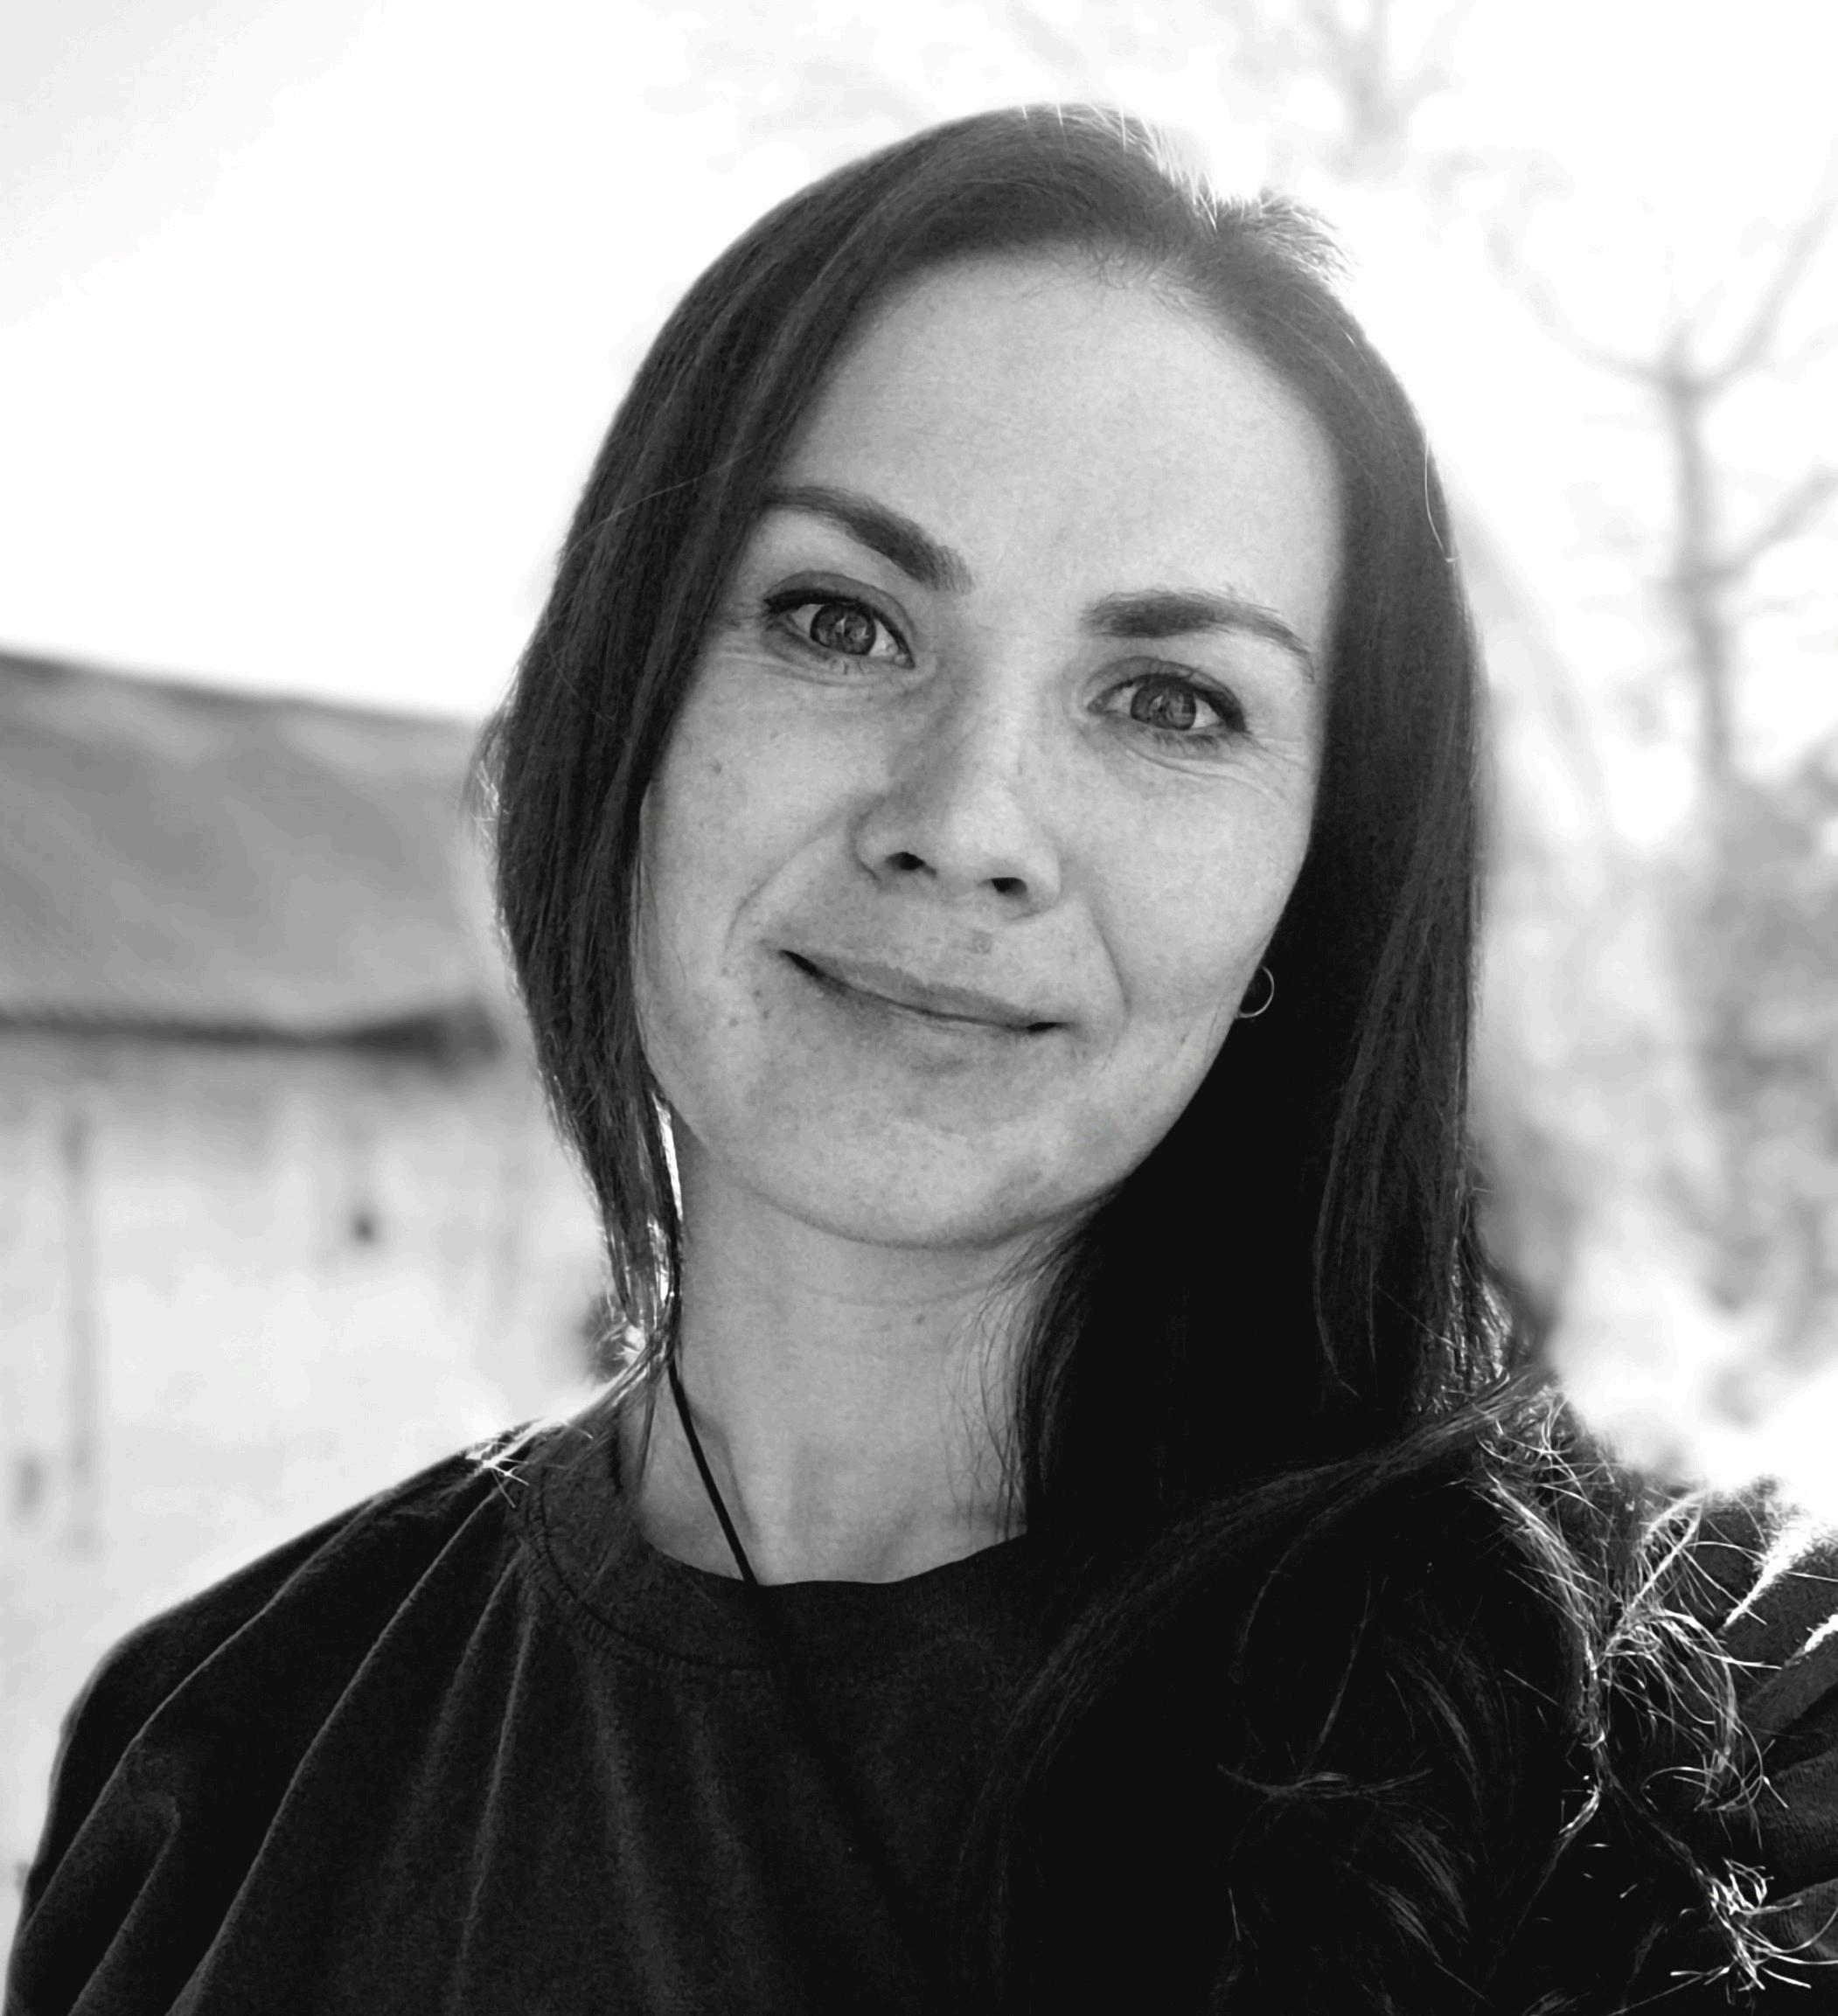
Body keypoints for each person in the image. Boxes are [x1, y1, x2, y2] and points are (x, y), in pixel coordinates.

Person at [8, 104, 1838, 2016]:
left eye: (1170, 701)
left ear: (1317, 878)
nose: (965, 823)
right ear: (622, 703)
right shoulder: (213, 1758)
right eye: (837, 619)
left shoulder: (1715, 1730)